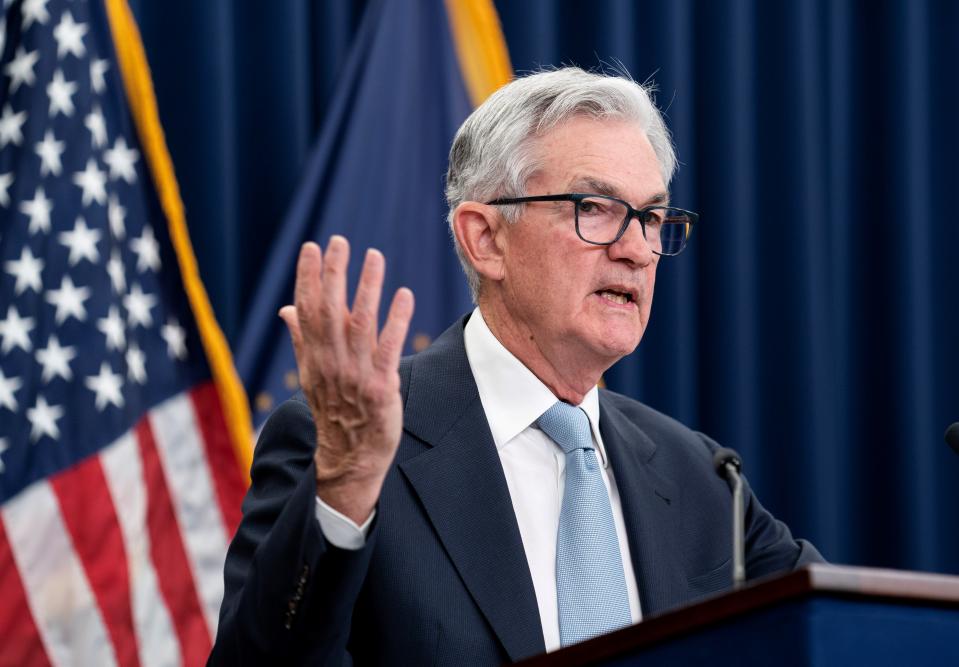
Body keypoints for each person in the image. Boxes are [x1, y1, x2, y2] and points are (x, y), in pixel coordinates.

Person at [210, 67, 822, 665]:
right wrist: (344, 485)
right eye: (596, 209)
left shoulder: (705, 480)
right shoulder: (346, 448)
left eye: (652, 218)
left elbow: (842, 627)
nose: (637, 249)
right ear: (486, 239)